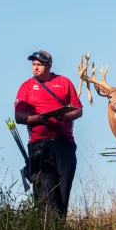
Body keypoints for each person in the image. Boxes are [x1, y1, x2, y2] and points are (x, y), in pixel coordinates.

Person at [14, 50, 83, 219]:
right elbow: (19, 117)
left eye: (39, 64)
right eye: (33, 64)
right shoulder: (26, 87)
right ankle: (48, 229)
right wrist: (38, 118)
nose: (35, 68)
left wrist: (66, 116)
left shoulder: (64, 82)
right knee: (45, 188)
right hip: (39, 143)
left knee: (63, 186)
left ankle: (59, 227)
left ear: (49, 65)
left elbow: (78, 109)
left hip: (64, 142)